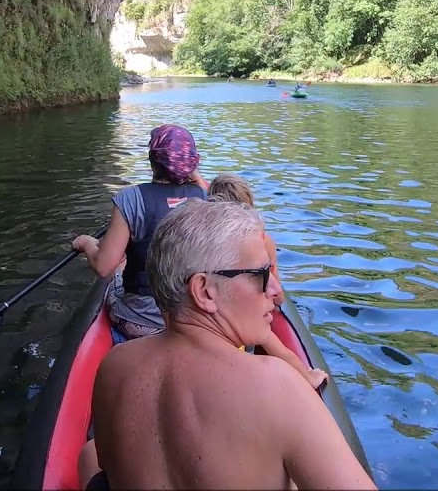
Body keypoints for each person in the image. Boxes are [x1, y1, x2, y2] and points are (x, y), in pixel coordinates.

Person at [78, 199, 377, 491]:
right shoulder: (278, 387)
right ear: (205, 291)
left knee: (88, 455)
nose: (276, 291)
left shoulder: (114, 366)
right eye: (261, 274)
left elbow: (107, 464)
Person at [72, 124, 210, 341]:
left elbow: (103, 267)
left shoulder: (131, 198)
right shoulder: (205, 197)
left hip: (142, 321)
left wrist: (86, 243)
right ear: (192, 162)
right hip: (192, 317)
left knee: (117, 269)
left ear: (152, 160)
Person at [207, 173, 329, 390]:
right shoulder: (262, 241)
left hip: (214, 328)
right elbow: (277, 294)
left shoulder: (203, 244)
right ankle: (307, 378)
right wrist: (309, 376)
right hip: (243, 323)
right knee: (268, 337)